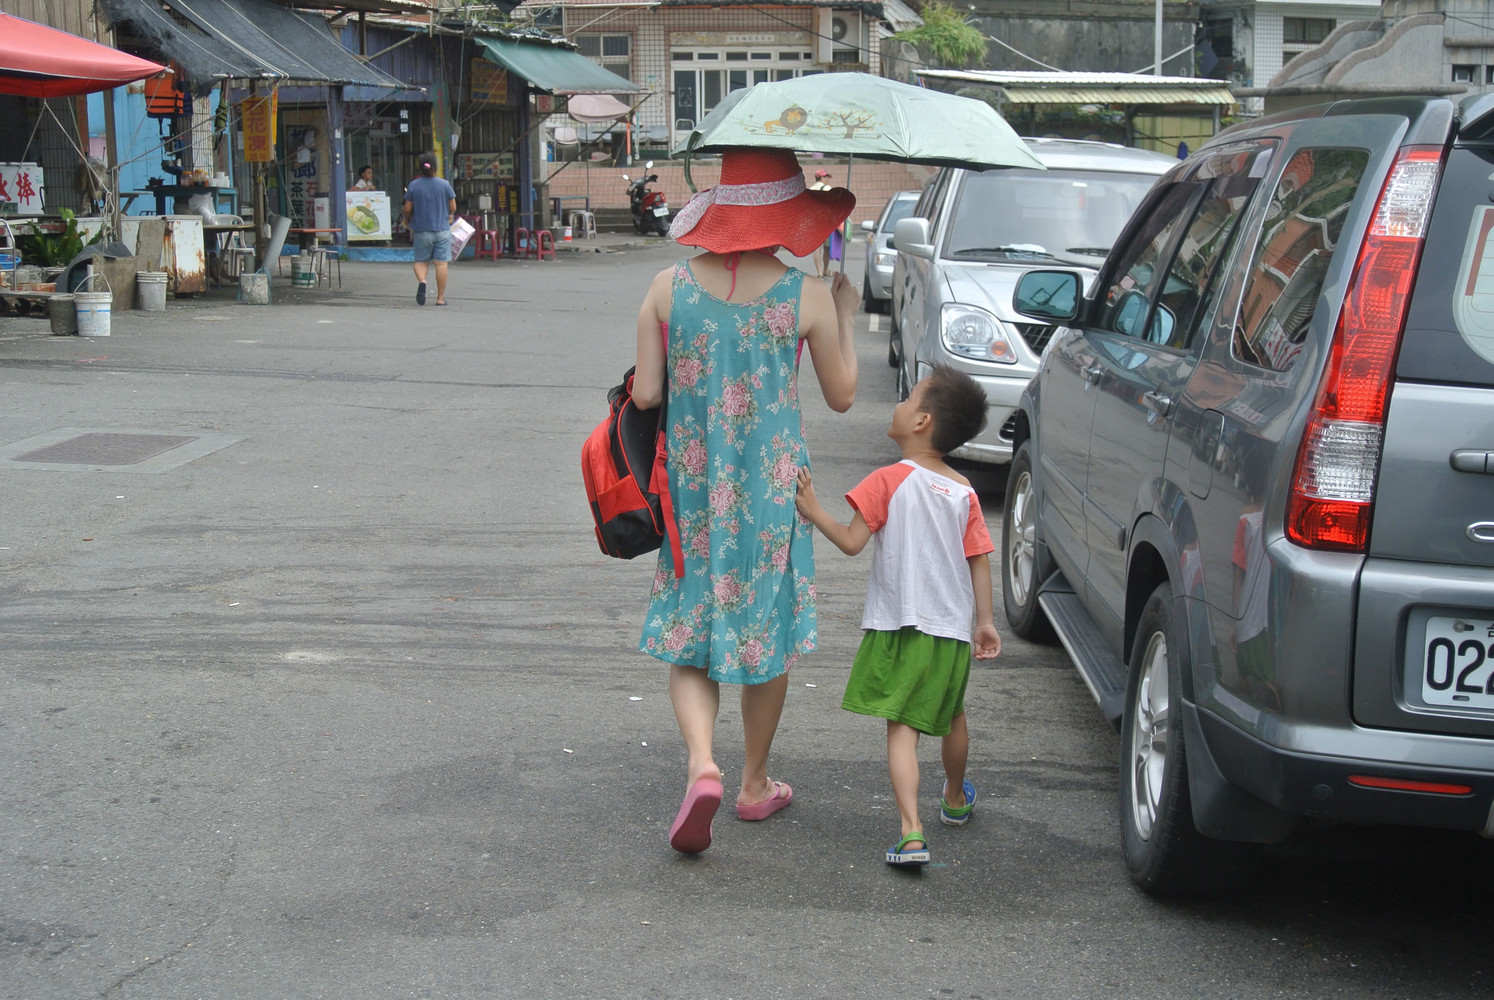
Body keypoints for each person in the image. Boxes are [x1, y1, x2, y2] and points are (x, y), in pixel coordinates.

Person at [631, 147, 860, 855]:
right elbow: (843, 395)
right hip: (772, 492)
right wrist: (844, 312)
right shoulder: (807, 296)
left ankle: (703, 763)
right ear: (788, 216)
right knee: (767, 631)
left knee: (692, 624)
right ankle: (754, 782)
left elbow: (646, 394)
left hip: (694, 487)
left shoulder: (666, 288)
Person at [793, 365, 1002, 867]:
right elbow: (978, 558)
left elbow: (851, 542)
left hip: (901, 624)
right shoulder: (965, 491)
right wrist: (985, 621)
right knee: (952, 715)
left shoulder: (888, 480)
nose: (898, 404)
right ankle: (955, 796)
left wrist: (813, 509)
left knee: (902, 729)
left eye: (908, 399)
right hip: (951, 630)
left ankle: (911, 832)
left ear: (921, 421)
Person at [401, 153, 457, 306]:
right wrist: (449, 215)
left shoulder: (414, 185)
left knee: (421, 261)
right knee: (441, 264)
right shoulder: (445, 184)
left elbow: (407, 208)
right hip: (442, 230)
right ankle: (440, 298)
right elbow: (453, 207)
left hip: (422, 231)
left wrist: (407, 219)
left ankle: (423, 281)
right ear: (435, 167)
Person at [810, 168, 834, 276]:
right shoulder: (827, 188)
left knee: (817, 248)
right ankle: (825, 270)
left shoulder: (810, 190)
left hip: (815, 223)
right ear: (822, 178)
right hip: (826, 223)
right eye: (826, 177)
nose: (827, 179)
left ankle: (819, 272)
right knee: (827, 248)